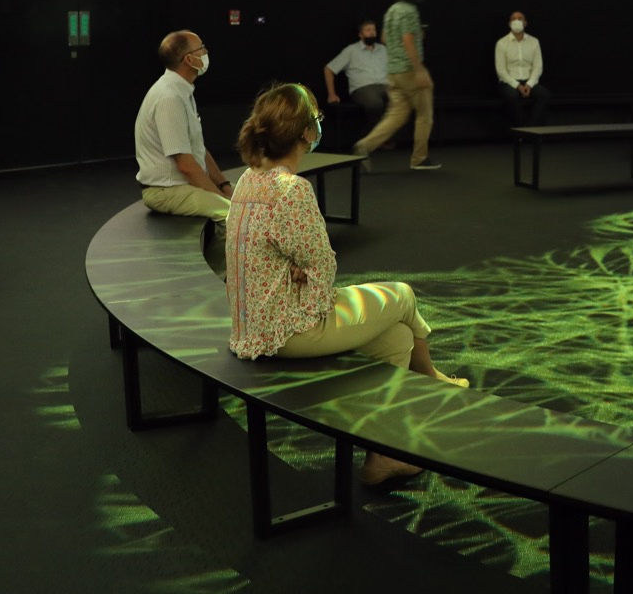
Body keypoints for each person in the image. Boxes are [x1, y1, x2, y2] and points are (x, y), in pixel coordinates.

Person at [226, 83, 465, 486]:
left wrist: (298, 270)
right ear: (305, 133)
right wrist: (307, 277)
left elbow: (279, 255)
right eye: (315, 118)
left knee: (396, 339)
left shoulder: (249, 181)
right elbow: (323, 268)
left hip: (251, 326)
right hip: (287, 331)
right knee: (402, 295)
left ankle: (383, 455)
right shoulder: (292, 190)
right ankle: (431, 380)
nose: (319, 125)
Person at [134, 30, 231, 219]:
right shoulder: (170, 97)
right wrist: (221, 198)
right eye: (201, 48)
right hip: (167, 192)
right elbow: (186, 165)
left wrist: (224, 185)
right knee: (235, 214)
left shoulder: (181, 90)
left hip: (183, 186)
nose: (206, 51)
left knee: (247, 199)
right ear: (188, 60)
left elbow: (198, 149)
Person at [353, 0, 440, 171]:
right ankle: (419, 158)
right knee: (425, 114)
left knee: (396, 115)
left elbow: (385, 38)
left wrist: (415, 36)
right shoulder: (410, 11)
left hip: (393, 73)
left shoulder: (392, 10)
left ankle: (364, 145)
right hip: (410, 71)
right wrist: (419, 70)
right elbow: (407, 40)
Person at [322, 20, 388, 147]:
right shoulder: (351, 50)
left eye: (373, 30)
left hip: (386, 85)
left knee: (401, 100)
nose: (372, 33)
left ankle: (388, 138)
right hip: (363, 88)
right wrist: (331, 94)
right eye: (368, 30)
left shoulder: (383, 49)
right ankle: (377, 140)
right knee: (375, 104)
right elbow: (329, 69)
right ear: (360, 34)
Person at [494, 10, 550, 127]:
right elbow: (501, 71)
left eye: (520, 18)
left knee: (544, 94)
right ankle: (519, 130)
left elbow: (538, 67)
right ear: (509, 23)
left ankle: (530, 129)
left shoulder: (534, 42)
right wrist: (517, 86)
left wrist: (529, 84)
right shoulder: (502, 43)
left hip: (529, 81)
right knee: (511, 96)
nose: (517, 21)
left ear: (525, 23)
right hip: (509, 82)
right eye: (513, 19)